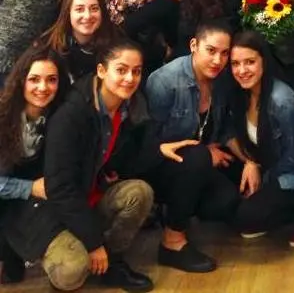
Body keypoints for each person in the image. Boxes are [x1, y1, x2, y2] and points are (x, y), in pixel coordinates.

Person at [44, 39, 155, 291]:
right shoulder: (72, 114)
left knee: (139, 192)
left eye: (136, 71)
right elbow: (60, 189)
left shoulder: (130, 107)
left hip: (91, 196)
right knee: (69, 274)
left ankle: (112, 262)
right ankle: (84, 251)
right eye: (121, 70)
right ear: (102, 71)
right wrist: (93, 244)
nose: (130, 78)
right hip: (57, 210)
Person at [143, 21, 233, 273]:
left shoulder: (222, 80)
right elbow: (149, 141)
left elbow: (223, 128)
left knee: (227, 201)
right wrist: (203, 152)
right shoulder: (164, 81)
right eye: (211, 50)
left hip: (197, 161)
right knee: (197, 158)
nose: (217, 60)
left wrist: (249, 162)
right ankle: (172, 242)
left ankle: (178, 211)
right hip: (162, 162)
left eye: (224, 53)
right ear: (194, 45)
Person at [227, 30, 294, 247]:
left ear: (264, 62)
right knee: (224, 204)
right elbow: (227, 133)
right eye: (235, 64)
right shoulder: (240, 93)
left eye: (250, 62)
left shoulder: (283, 102)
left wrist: (262, 177)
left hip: (293, 178)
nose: (242, 70)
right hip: (263, 165)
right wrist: (250, 162)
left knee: (245, 216)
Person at [0, 46, 70, 286]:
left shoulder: (59, 117)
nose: (43, 87)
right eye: (34, 79)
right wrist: (29, 188)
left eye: (52, 80)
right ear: (21, 80)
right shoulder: (3, 117)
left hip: (31, 203)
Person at [42, 0, 121, 82]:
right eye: (79, 9)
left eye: (94, 9)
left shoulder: (118, 45)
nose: (87, 16)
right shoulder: (50, 47)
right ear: (68, 13)